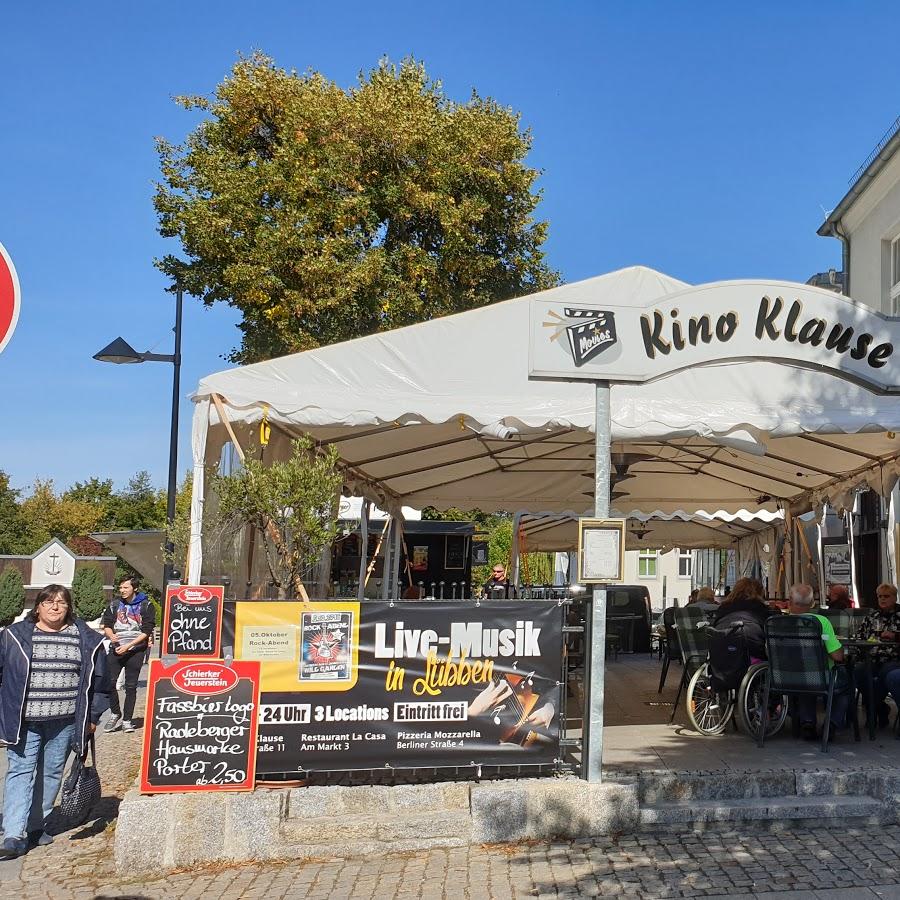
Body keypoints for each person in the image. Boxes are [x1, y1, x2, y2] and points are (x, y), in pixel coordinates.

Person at [0, 584, 109, 859]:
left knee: (51, 773)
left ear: (69, 607)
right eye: (49, 602)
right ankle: (14, 834)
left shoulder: (86, 638)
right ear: (37, 606)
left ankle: (38, 825)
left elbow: (101, 684)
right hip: (24, 720)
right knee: (20, 772)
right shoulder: (14, 636)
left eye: (61, 602)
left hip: (65, 721)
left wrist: (92, 717)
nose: (55, 607)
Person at [787, 583, 848, 740]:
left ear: (789, 601)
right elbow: (837, 656)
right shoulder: (820, 622)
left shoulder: (777, 622)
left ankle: (807, 722)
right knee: (846, 682)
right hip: (820, 677)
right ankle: (832, 723)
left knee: (805, 677)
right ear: (812, 603)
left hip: (786, 678)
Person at [101, 576, 155, 734]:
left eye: (126, 588)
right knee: (109, 682)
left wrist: (129, 646)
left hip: (136, 649)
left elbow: (146, 631)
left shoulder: (146, 605)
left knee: (131, 686)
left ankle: (127, 720)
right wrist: (111, 636)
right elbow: (107, 624)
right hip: (117, 648)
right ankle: (115, 713)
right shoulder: (115, 604)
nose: (122, 591)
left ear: (134, 588)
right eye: (121, 588)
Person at [857, 582, 900, 728]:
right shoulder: (872, 616)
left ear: (894, 598)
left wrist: (895, 636)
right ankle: (880, 708)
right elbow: (859, 636)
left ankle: (874, 710)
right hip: (872, 658)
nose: (882, 599)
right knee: (858, 671)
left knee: (886, 674)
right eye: (880, 596)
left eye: (886, 596)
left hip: (894, 659)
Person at [711, 577, 776, 661]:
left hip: (722, 659)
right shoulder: (760, 610)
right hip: (752, 659)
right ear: (760, 593)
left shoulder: (723, 609)